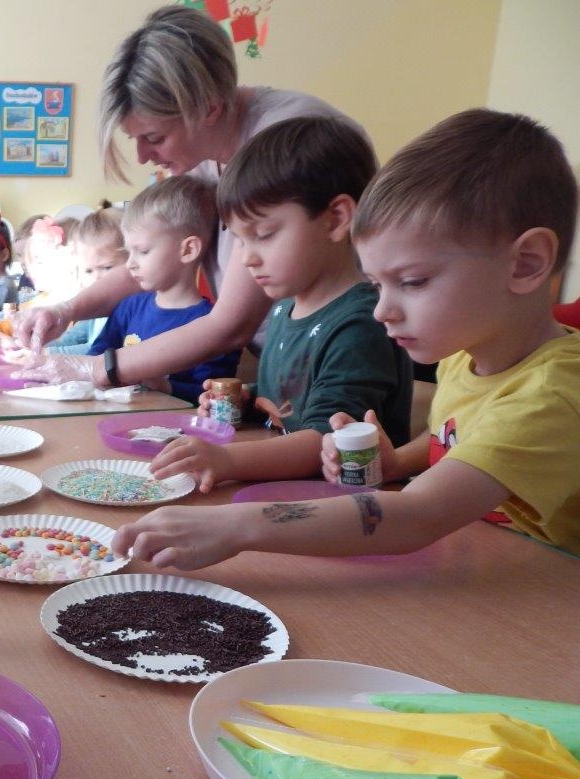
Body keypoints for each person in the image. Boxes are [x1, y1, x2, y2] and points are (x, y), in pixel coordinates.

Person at [116, 109, 580, 566]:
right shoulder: (466, 356)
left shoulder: (552, 394)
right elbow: (460, 437)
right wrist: (397, 463)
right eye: (377, 284)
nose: (381, 310)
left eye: (413, 281)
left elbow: (417, 515)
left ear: (526, 263)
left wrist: (236, 525)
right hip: (481, 563)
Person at [14, 4, 365, 388]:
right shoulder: (201, 158)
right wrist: (65, 311)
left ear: (209, 108)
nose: (143, 156)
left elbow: (232, 324)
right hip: (281, 368)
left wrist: (97, 369)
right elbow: (151, 257)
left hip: (333, 366)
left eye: (155, 137)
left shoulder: (284, 142)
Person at [150, 116, 411, 488]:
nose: (247, 258)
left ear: (336, 218)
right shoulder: (284, 308)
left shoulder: (360, 323)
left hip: (353, 507)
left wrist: (226, 460)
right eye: (240, 240)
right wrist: (247, 400)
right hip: (291, 491)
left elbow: (326, 439)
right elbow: (293, 403)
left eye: (264, 234)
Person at [83, 177, 237, 403]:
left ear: (188, 250)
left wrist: (166, 386)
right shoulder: (129, 307)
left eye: (143, 251)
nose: (130, 263)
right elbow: (95, 359)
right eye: (129, 252)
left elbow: (214, 397)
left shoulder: (213, 325)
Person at [48, 207, 125, 354]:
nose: (96, 278)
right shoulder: (97, 304)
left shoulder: (126, 308)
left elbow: (95, 351)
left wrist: (43, 354)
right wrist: (32, 346)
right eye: (89, 271)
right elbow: (74, 336)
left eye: (107, 267)